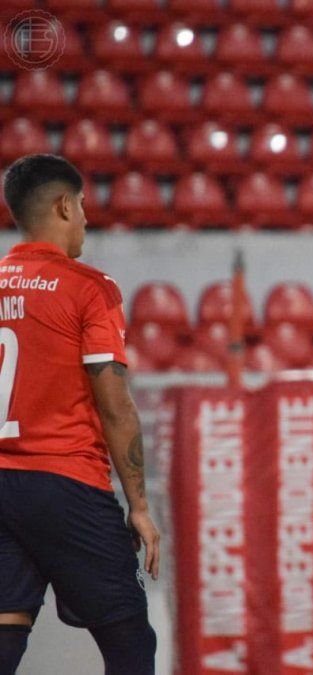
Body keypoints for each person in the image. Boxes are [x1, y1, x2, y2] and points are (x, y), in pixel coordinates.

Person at [0, 154, 159, 675]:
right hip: (64, 482)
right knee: (131, 638)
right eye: (84, 205)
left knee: (5, 635)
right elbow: (115, 407)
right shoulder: (90, 287)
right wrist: (138, 505)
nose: (87, 218)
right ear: (65, 205)